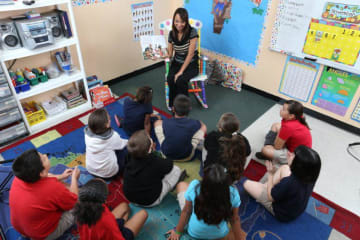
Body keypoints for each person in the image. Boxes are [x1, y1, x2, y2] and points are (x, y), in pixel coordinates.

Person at [9, 149, 80, 240]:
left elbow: (46, 176)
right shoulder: (52, 187)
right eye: (43, 158)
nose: (46, 156)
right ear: (41, 173)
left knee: (59, 186)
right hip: (43, 235)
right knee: (80, 202)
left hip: (21, 228)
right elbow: (74, 201)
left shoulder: (20, 177)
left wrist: (61, 177)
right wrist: (74, 178)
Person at [167, 164, 246, 240]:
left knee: (181, 184)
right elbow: (234, 219)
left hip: (195, 232)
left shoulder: (194, 186)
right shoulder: (233, 193)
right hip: (220, 235)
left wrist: (177, 231)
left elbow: (186, 211)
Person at [244, 145, 321, 222]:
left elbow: (271, 197)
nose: (289, 154)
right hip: (295, 208)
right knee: (284, 167)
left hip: (282, 213)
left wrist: (270, 174)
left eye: (293, 155)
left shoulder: (289, 182)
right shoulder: (310, 176)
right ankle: (266, 187)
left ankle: (265, 187)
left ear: (299, 165)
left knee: (246, 184)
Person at [123, 130, 187, 207]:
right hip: (150, 201)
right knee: (176, 170)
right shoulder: (154, 161)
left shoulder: (128, 155)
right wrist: (155, 153)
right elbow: (169, 165)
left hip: (130, 197)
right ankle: (172, 185)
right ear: (150, 148)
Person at [74, 178, 148, 240]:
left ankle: (123, 225)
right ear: (104, 200)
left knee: (124, 206)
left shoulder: (79, 208)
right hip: (113, 234)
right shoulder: (106, 219)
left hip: (103, 232)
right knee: (143, 213)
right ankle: (124, 226)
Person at [256, 100, 312, 164]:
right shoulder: (297, 116)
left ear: (291, 116)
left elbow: (277, 147)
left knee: (265, 150)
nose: (281, 109)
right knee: (275, 125)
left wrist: (280, 134)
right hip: (296, 146)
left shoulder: (288, 126)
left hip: (296, 157)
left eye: (283, 109)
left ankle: (268, 154)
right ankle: (270, 148)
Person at [154, 94, 207, 161]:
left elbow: (159, 123)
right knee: (203, 127)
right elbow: (201, 125)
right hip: (187, 157)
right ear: (190, 109)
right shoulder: (194, 123)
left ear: (173, 109)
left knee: (157, 123)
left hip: (166, 155)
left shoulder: (166, 122)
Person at [166, 7, 199, 109]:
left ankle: (184, 107)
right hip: (177, 62)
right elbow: (170, 54)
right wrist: (158, 54)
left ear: (186, 21)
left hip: (191, 65)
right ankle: (174, 105)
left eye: (182, 21)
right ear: (173, 21)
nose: (179, 24)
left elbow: (190, 55)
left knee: (180, 80)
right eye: (177, 21)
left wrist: (180, 72)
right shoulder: (172, 34)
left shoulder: (192, 32)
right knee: (170, 78)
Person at [85, 108, 128, 179]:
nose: (110, 119)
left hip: (91, 169)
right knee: (126, 150)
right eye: (109, 119)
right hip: (109, 174)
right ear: (107, 125)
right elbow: (122, 144)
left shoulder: (87, 134)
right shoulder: (112, 137)